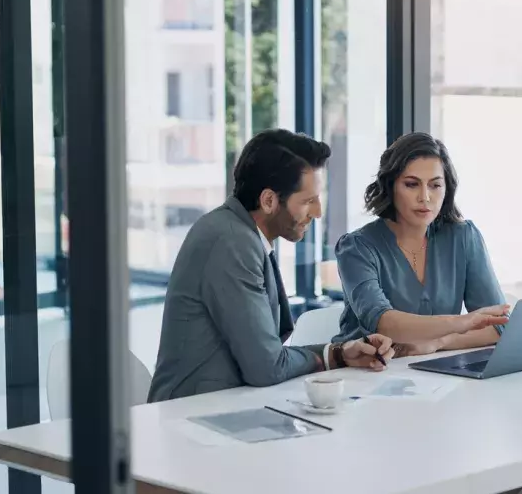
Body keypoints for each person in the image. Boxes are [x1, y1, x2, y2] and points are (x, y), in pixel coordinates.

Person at [148, 129, 395, 403]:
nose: (318, 213)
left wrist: (338, 353)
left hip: (227, 407)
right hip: (191, 417)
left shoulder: (240, 233)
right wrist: (332, 356)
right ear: (268, 201)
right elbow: (266, 367)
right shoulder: (231, 242)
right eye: (308, 201)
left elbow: (268, 357)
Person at [333, 132, 510, 356]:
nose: (425, 197)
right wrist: (461, 323)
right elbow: (383, 322)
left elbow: (499, 325)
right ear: (390, 186)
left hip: (433, 374)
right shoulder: (357, 247)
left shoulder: (463, 237)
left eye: (435, 185)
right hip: (361, 373)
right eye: (411, 184)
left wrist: (439, 342)